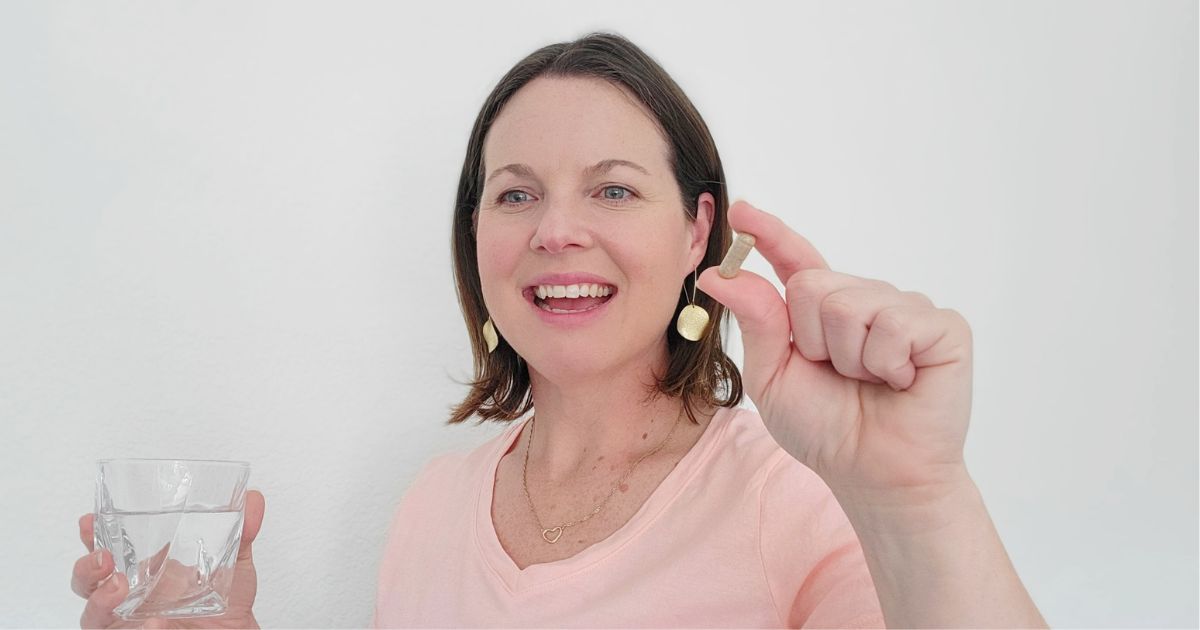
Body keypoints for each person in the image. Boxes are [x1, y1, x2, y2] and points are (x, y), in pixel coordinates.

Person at [71, 32, 1047, 628]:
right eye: (516, 193)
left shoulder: (801, 497)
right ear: (478, 235)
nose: (555, 231)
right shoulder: (432, 505)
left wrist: (917, 499)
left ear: (698, 228)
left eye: (614, 188)